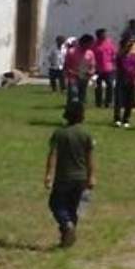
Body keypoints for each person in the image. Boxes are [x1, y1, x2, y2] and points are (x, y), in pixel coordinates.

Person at [43, 100, 96, 248]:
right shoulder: (86, 134)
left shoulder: (59, 133)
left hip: (63, 177)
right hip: (81, 178)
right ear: (82, 117)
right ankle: (66, 236)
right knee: (73, 208)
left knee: (55, 204)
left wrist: (48, 174)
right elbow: (90, 157)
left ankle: (66, 225)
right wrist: (92, 176)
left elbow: (52, 155)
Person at [92, 29, 117, 109]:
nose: (105, 36)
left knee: (110, 85)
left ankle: (108, 102)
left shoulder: (109, 42)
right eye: (103, 34)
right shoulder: (94, 45)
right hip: (98, 69)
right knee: (97, 86)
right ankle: (98, 103)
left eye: (105, 34)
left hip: (108, 68)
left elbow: (114, 53)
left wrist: (114, 63)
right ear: (98, 36)